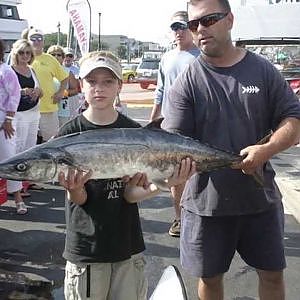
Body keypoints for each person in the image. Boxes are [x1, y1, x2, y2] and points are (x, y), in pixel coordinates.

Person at [162, 1, 300, 299]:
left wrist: (267, 150)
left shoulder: (262, 70)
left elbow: (294, 119)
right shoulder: (188, 81)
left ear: (230, 20)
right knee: (210, 281)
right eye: (193, 24)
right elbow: (172, 142)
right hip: (205, 206)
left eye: (209, 20)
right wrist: (171, 175)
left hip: (260, 202)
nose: (201, 29)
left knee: (273, 276)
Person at [57, 50, 195, 300]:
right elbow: (80, 200)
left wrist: (164, 184)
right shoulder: (68, 135)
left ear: (119, 85)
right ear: (81, 85)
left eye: (108, 81)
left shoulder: (133, 131)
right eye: (92, 81)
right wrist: (74, 188)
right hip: (87, 249)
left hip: (127, 246)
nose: (99, 88)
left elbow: (130, 195)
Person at [149, 10, 200, 237]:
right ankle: (179, 218)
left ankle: (200, 217)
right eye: (174, 28)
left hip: (199, 126)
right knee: (175, 176)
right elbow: (160, 91)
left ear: (191, 27)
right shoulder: (166, 57)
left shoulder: (202, 56)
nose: (178, 32)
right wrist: (152, 120)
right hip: (170, 127)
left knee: (199, 173)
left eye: (181, 26)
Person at [10, 39, 43, 212]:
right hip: (17, 116)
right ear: (16, 54)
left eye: (28, 53)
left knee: (30, 150)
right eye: (22, 52)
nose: (25, 56)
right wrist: (20, 91)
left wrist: (38, 91)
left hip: (33, 113)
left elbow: (42, 91)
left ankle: (23, 185)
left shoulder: (31, 70)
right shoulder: (9, 71)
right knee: (17, 152)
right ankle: (16, 197)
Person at [28, 28, 69, 141]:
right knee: (27, 143)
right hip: (26, 109)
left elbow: (64, 78)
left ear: (43, 42)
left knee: (51, 141)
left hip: (48, 108)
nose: (36, 41)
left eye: (39, 39)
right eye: (33, 39)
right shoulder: (22, 57)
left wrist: (60, 93)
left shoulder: (50, 59)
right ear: (28, 41)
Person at [0, 39, 26, 214]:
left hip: (4, 121)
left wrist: (8, 119)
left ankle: (17, 197)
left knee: (9, 159)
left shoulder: (5, 70)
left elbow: (14, 95)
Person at [47, 45, 79, 127]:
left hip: (62, 109)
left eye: (59, 55)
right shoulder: (43, 71)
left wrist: (62, 93)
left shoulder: (68, 72)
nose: (56, 57)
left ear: (63, 57)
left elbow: (75, 90)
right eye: (53, 55)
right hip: (46, 108)